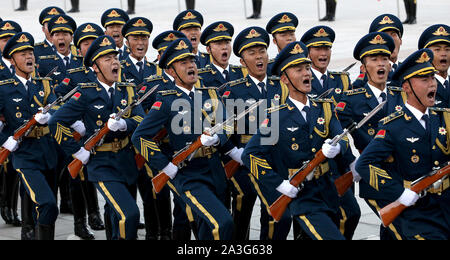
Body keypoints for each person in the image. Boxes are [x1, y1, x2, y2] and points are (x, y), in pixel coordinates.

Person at [242, 41, 350, 240]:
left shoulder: (324, 108)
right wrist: (279, 184)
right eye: (298, 70)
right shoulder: (276, 117)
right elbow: (250, 155)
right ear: (284, 79)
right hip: (302, 195)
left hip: (327, 190)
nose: (307, 73)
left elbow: (342, 138)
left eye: (307, 68)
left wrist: (337, 148)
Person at [132, 38, 235, 240]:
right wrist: (164, 165)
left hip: (216, 170)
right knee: (223, 223)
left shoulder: (211, 94)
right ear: (171, 71)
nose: (191, 66)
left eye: (193, 61)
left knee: (207, 229)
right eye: (183, 63)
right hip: (189, 174)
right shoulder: (166, 100)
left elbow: (227, 124)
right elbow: (140, 136)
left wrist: (217, 139)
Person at [49, 35, 146, 240]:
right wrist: (77, 151)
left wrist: (124, 124)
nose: (114, 62)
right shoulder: (85, 93)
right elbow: (55, 122)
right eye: (107, 59)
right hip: (101, 164)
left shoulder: (127, 90)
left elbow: (141, 120)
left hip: (126, 161)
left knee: (114, 214)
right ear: (95, 66)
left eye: (115, 57)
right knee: (130, 214)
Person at [356, 48, 449, 239]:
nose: (432, 84)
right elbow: (364, 164)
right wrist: (399, 193)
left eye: (432, 79)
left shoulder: (445, 118)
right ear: (407, 87)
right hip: (419, 214)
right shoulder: (393, 126)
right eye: (425, 80)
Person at [335, 32, 406, 240]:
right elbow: (334, 133)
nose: (380, 64)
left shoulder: (401, 94)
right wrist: (351, 161)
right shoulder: (351, 100)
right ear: (364, 68)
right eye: (374, 60)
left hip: (402, 174)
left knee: (393, 229)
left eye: (384, 59)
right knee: (399, 228)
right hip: (374, 176)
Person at [222, 26, 290, 240]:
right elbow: (221, 128)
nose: (259, 57)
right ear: (242, 62)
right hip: (244, 160)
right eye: (252, 53)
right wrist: (233, 152)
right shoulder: (232, 90)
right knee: (242, 209)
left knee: (275, 213)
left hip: (275, 157)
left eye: (262, 51)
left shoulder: (282, 87)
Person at [300, 25, 360, 240]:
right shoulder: (299, 79)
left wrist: (353, 159)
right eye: (317, 48)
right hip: (314, 160)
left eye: (326, 47)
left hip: (340, 159)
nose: (323, 53)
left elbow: (346, 122)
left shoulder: (341, 80)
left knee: (349, 214)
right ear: (307, 51)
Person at [1, 32, 59, 239]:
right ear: (11, 59)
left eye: (30, 53)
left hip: (48, 152)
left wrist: (48, 116)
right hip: (24, 154)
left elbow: (56, 107)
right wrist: (5, 140)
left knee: (50, 210)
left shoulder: (44, 84)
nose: (29, 58)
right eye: (23, 54)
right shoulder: (4, 89)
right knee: (47, 204)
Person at [0, 20, 23, 228]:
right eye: (5, 39)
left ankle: (9, 207)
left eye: (13, 39)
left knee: (12, 171)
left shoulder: (24, 64)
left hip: (14, 127)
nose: (10, 43)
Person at [353, 14, 404, 89]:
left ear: (400, 41)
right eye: (385, 36)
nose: (391, 39)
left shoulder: (407, 69)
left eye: (393, 34)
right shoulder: (368, 74)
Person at [198, 21, 246, 91]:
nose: (224, 47)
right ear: (208, 49)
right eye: (219, 44)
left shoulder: (242, 73)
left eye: (227, 43)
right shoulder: (202, 77)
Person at [418, 24, 450, 109]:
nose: (443, 54)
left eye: (447, 49)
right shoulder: (419, 87)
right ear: (426, 55)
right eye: (437, 50)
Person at [121, 17, 157, 85]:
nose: (140, 43)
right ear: (127, 43)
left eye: (144, 39)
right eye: (135, 39)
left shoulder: (156, 69)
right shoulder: (119, 69)